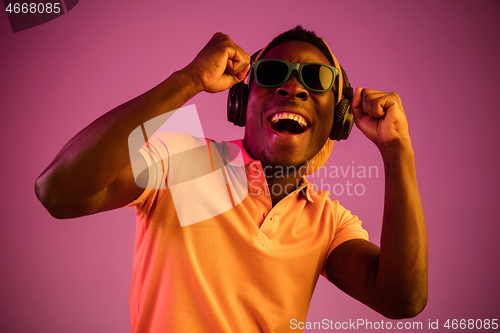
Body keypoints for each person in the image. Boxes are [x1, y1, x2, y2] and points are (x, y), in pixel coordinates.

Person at [35, 26, 428, 332]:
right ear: (241, 102)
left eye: (314, 79)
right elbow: (58, 192)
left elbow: (402, 300)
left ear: (338, 120)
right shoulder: (182, 161)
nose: (292, 88)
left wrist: (397, 152)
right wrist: (189, 79)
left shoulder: (330, 223)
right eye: (273, 74)